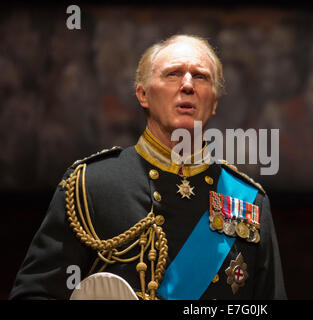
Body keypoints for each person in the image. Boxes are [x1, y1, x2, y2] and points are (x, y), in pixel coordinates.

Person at [9, 34, 287, 300]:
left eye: (201, 76)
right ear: (143, 94)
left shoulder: (249, 202)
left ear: (213, 103)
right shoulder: (88, 185)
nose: (188, 85)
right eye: (173, 74)